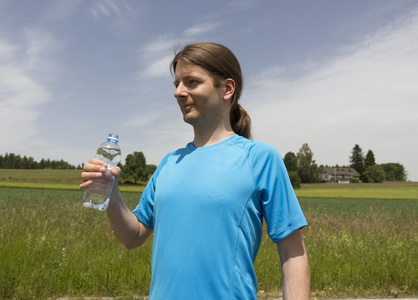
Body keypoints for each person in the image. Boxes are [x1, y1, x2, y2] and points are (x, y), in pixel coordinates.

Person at [80, 42, 310, 300]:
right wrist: (111, 192)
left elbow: (293, 253)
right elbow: (133, 236)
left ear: (227, 89)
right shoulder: (169, 163)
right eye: (177, 83)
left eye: (191, 82)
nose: (178, 92)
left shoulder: (259, 158)